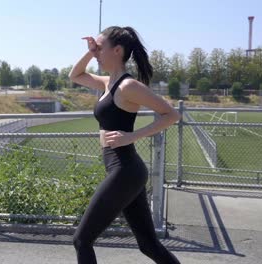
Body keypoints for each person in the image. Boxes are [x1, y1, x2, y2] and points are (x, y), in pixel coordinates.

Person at [68, 26, 182, 264]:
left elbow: (171, 114)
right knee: (148, 245)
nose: (96, 52)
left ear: (117, 50)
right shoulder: (108, 83)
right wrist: (90, 52)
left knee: (82, 240)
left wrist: (133, 136)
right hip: (125, 171)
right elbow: (75, 75)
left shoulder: (127, 86)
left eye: (100, 48)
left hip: (125, 170)